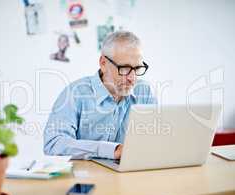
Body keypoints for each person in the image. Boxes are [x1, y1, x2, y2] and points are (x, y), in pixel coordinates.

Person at [44, 31, 157, 160]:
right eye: (124, 68)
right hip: (86, 176)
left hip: (129, 174)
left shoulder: (144, 91)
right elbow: (53, 143)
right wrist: (112, 150)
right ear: (103, 63)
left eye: (137, 69)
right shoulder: (75, 93)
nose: (132, 78)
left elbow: (154, 141)